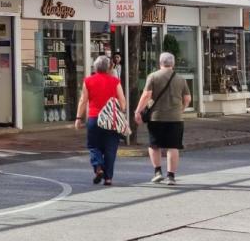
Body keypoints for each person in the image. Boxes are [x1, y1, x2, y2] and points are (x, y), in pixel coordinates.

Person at [135, 52, 191, 186]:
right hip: (176, 118)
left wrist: (138, 111)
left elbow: (146, 95)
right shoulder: (181, 79)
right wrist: (181, 109)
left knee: (154, 145)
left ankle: (157, 172)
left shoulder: (153, 76)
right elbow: (188, 99)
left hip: (156, 117)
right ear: (173, 63)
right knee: (173, 147)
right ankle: (171, 176)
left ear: (160, 63)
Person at [75, 55, 127, 186]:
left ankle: (98, 167)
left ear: (95, 67)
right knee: (110, 149)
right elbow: (122, 102)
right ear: (109, 67)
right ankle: (108, 178)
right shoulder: (115, 81)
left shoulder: (88, 81)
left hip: (94, 117)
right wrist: (121, 110)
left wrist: (78, 118)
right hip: (111, 119)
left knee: (94, 146)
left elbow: (83, 100)